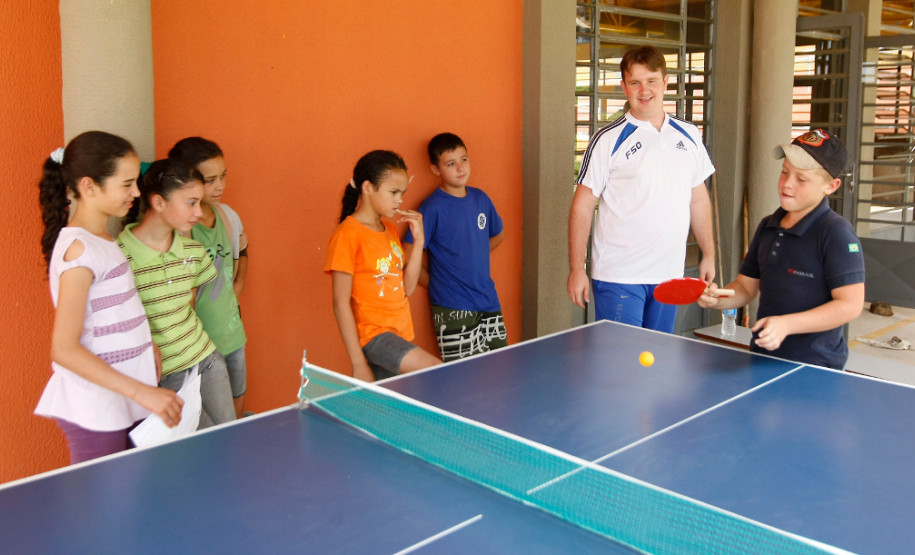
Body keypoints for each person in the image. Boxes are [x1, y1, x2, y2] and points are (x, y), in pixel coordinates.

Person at [35, 131, 184, 464]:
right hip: (97, 408)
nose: (135, 193)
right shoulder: (79, 250)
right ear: (89, 187)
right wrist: (144, 392)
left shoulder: (102, 239)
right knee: (103, 510)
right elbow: (64, 349)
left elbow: (111, 311)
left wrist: (148, 344)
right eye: (127, 184)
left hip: (124, 398)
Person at [568, 45, 716, 333]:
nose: (644, 90)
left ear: (665, 82)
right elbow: (582, 206)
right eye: (634, 82)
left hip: (669, 276)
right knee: (622, 369)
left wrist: (708, 254)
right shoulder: (607, 140)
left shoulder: (689, 135)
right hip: (619, 275)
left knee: (656, 364)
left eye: (651, 81)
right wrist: (577, 269)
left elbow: (698, 199)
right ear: (624, 87)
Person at [699, 129, 865, 370]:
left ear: (832, 186)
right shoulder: (768, 225)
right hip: (764, 357)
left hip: (816, 368)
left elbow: (850, 305)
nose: (787, 184)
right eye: (785, 172)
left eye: (802, 179)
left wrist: (787, 325)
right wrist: (720, 299)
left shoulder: (836, 233)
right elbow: (746, 288)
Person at [118, 158, 236, 427]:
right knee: (198, 453)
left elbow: (189, 304)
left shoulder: (193, 252)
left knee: (229, 440)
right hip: (161, 379)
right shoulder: (119, 258)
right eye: (191, 202)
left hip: (206, 361)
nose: (198, 212)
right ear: (159, 203)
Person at [325, 150, 441, 381]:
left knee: (383, 409)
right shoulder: (347, 234)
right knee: (435, 369)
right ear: (368, 188)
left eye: (402, 193)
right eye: (393, 192)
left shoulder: (389, 230)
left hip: (401, 333)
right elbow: (340, 302)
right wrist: (358, 363)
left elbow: (407, 288)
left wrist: (418, 242)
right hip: (376, 336)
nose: (400, 200)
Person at [403, 132, 508, 362]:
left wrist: (472, 254)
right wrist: (434, 283)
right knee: (463, 379)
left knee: (499, 370)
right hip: (452, 307)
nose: (460, 168)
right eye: (451, 163)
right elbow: (407, 255)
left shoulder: (481, 199)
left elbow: (498, 235)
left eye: (464, 160)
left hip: (488, 301)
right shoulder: (432, 208)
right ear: (435, 169)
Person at [168, 137, 248, 418]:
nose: (220, 186)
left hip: (233, 336)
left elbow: (244, 248)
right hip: (199, 348)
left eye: (223, 176)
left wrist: (237, 285)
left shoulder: (227, 216)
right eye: (211, 179)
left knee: (236, 407)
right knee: (209, 420)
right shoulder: (178, 230)